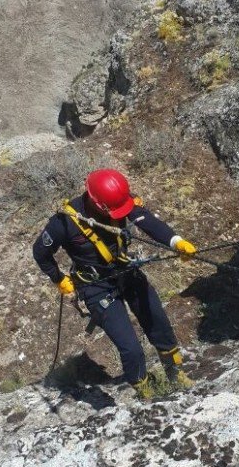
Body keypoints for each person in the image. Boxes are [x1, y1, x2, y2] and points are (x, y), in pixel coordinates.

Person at [32, 168, 198, 399]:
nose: (120, 214)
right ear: (98, 203)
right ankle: (147, 391)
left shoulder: (117, 202)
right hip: (96, 287)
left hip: (125, 271)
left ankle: (175, 373)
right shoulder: (64, 223)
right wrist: (59, 279)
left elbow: (146, 220)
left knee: (158, 321)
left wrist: (176, 241)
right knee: (130, 347)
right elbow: (40, 253)